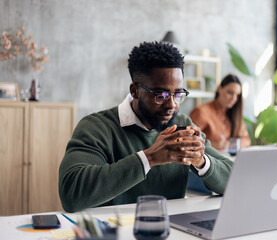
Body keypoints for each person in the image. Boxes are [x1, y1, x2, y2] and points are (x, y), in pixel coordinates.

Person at [58, 42, 233, 213]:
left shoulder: (182, 126)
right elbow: (71, 195)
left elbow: (236, 180)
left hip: (171, 231)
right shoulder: (98, 127)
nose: (171, 105)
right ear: (135, 91)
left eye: (178, 94)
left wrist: (201, 161)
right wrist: (149, 158)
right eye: (160, 95)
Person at [190, 74, 251, 152]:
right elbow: (189, 141)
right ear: (219, 89)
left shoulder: (235, 115)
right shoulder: (202, 112)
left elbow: (247, 140)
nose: (233, 98)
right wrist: (212, 145)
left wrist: (230, 144)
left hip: (230, 160)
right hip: (208, 160)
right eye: (230, 93)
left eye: (237, 95)